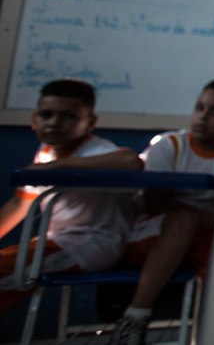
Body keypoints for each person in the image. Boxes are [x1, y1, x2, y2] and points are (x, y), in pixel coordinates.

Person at [107, 80, 214, 345]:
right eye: (199, 108)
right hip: (153, 235)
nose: (203, 117)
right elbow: (154, 205)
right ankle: (135, 316)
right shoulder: (169, 146)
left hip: (209, 235)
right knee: (186, 217)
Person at [0, 79, 142, 316]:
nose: (55, 123)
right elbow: (19, 205)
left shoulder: (96, 150)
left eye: (69, 117)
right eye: (47, 115)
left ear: (90, 122)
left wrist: (62, 166)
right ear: (34, 120)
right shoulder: (45, 152)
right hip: (55, 241)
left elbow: (131, 161)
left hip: (91, 244)